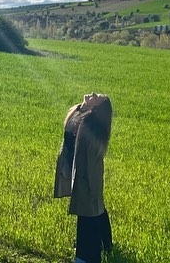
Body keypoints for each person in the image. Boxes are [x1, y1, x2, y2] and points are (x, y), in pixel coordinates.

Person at [54, 93, 113, 263]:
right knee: (94, 207)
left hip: (86, 171)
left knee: (88, 210)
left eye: (97, 97)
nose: (93, 94)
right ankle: (105, 244)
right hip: (75, 168)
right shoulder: (77, 111)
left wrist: (90, 184)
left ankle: (86, 256)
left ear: (97, 109)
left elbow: (91, 160)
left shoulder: (91, 124)